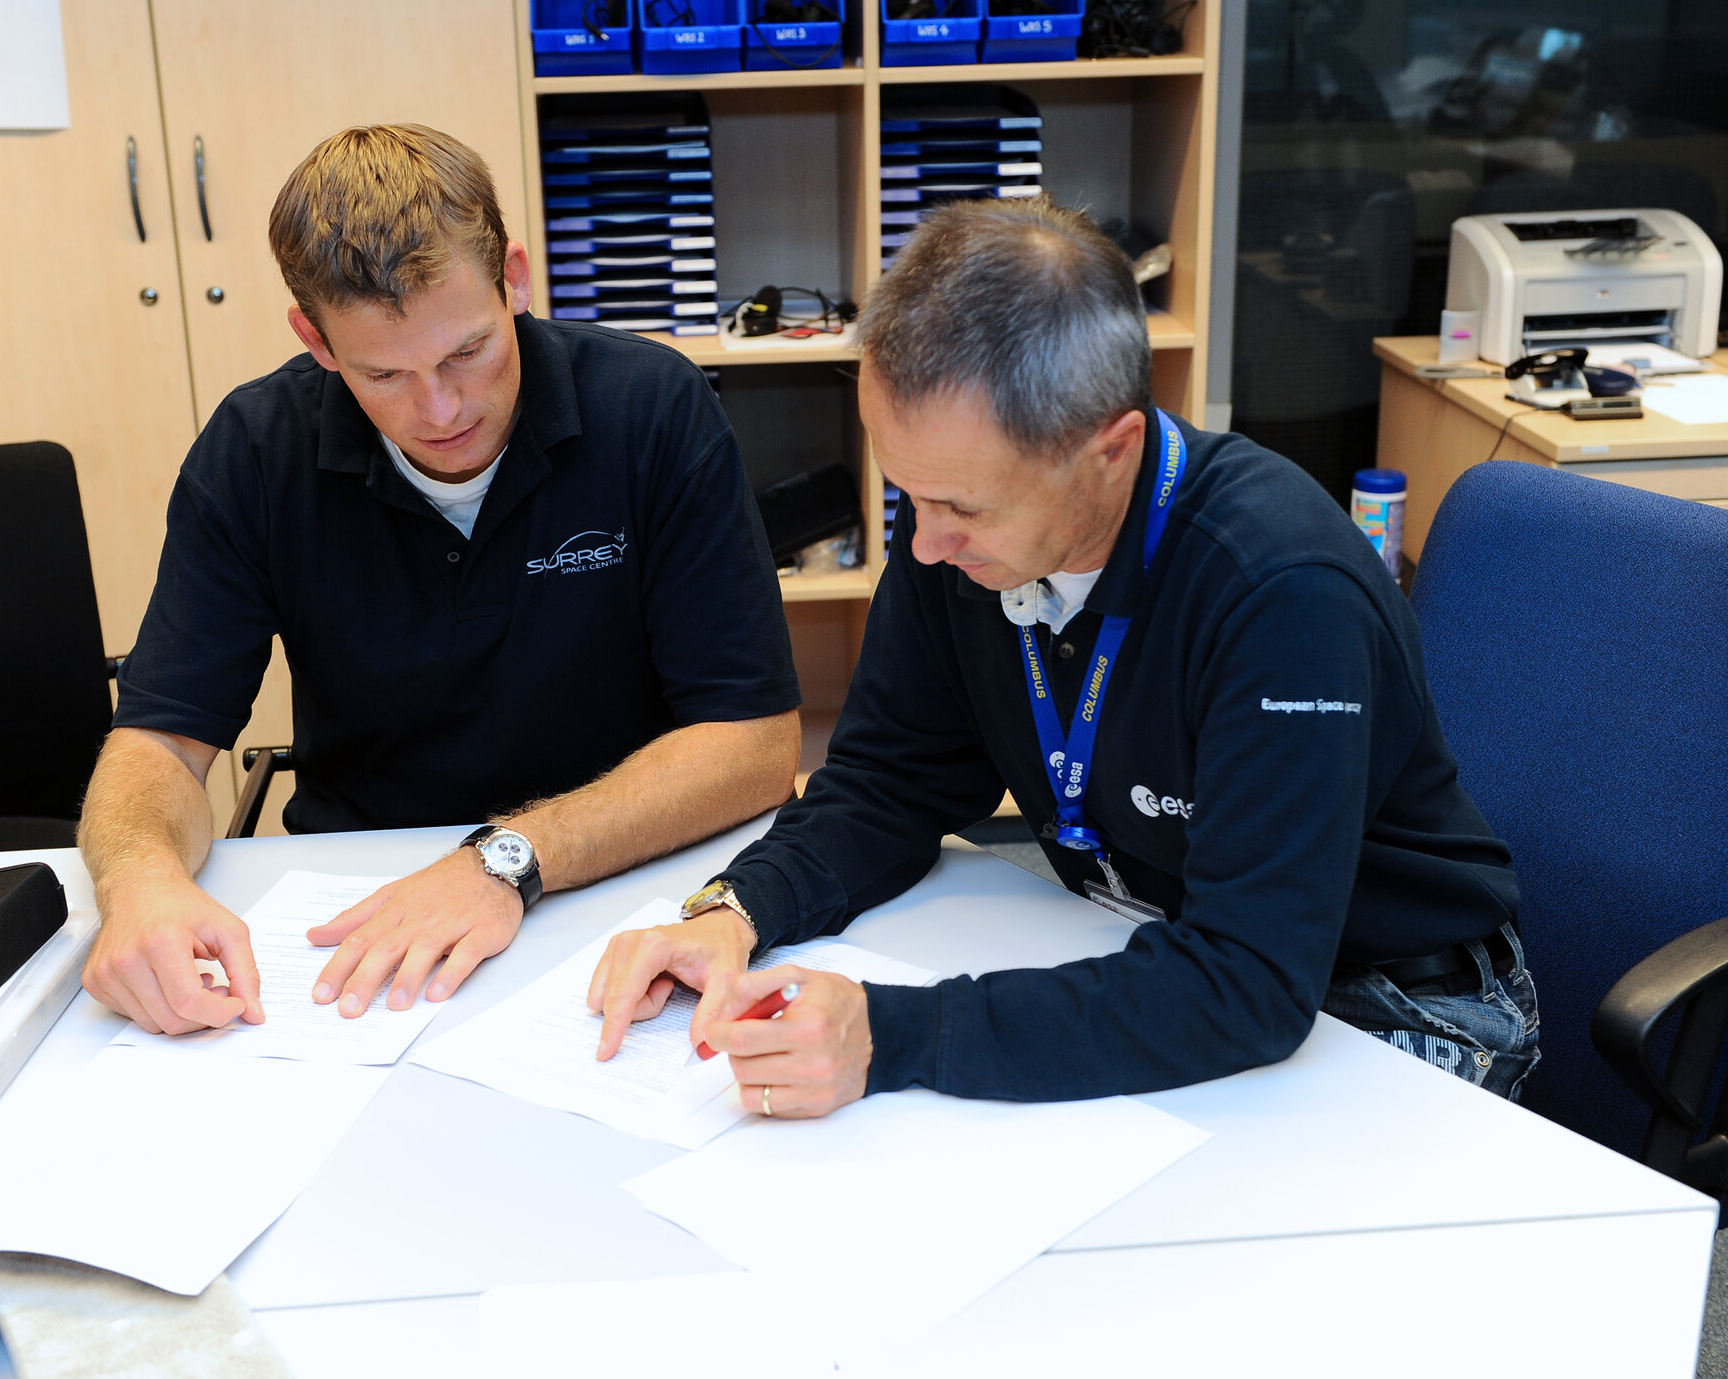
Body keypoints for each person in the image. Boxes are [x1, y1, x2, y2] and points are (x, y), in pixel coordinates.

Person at [589, 196, 1539, 1118]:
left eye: (961, 507)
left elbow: (1249, 985)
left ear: (1111, 451)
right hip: (1173, 945)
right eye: (907, 494)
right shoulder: (960, 534)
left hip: (1396, 999)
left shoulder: (1279, 592)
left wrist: (896, 1035)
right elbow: (887, 786)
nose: (923, 547)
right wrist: (733, 914)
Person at [79, 125, 801, 1037]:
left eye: (468, 351)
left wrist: (505, 861)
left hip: (629, 887)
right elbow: (162, 744)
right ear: (317, 340)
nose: (441, 409)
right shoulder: (256, 451)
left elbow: (754, 742)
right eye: (384, 373)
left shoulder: (651, 408)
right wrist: (140, 880)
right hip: (368, 911)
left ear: (515, 277)